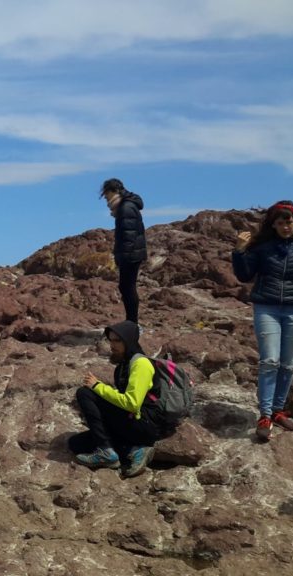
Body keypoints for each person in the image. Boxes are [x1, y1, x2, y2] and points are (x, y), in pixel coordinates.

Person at [232, 200, 293, 440]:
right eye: (280, 223)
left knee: (289, 363)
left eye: (288, 222)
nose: (285, 227)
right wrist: (240, 250)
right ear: (273, 225)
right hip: (267, 308)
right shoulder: (263, 247)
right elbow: (244, 274)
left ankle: (279, 411)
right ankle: (265, 414)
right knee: (270, 360)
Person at [68, 320, 162, 478]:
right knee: (76, 443)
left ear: (129, 341)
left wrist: (98, 386)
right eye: (110, 340)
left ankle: (106, 451)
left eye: (117, 340)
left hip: (146, 424)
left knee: (85, 393)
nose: (112, 344)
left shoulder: (141, 364)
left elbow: (132, 403)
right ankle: (134, 451)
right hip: (132, 422)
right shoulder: (122, 367)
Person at [101, 178, 147, 324]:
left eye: (107, 195)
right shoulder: (124, 206)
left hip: (131, 255)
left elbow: (129, 235)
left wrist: (123, 258)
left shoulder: (125, 208)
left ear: (114, 191)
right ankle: (131, 321)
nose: (106, 199)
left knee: (127, 288)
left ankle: (132, 322)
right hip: (132, 254)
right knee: (126, 287)